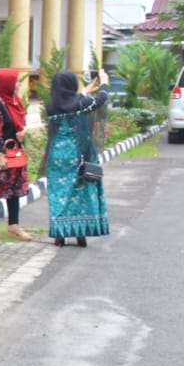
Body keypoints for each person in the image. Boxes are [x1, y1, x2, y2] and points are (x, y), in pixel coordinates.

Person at [42, 69, 110, 248]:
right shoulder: (81, 103)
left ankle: (59, 236)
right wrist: (104, 82)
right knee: (80, 191)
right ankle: (80, 234)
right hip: (77, 155)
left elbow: (69, 104)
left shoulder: (51, 107)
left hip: (56, 156)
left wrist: (85, 91)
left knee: (59, 193)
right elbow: (101, 99)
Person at [0, 68, 32, 241]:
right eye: (16, 82)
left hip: (15, 152)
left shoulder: (14, 101)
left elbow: (19, 123)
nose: (18, 85)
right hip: (0, 153)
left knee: (14, 189)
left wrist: (23, 132)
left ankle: (13, 226)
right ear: (7, 83)